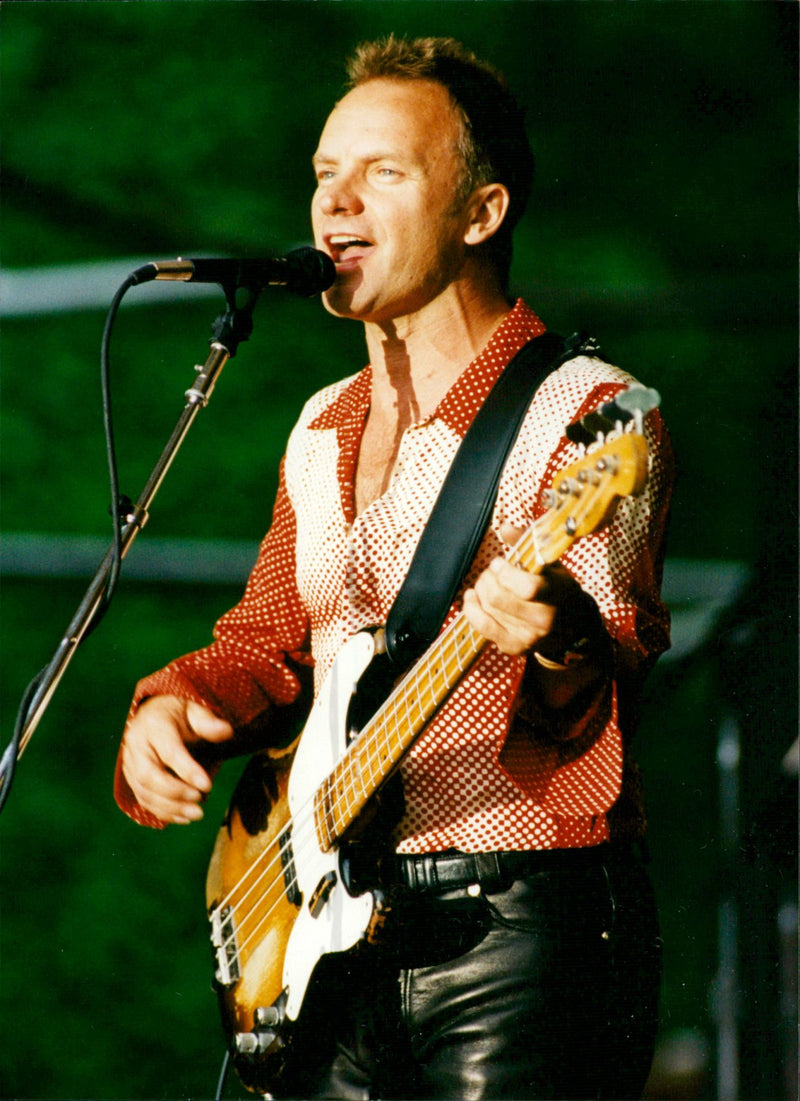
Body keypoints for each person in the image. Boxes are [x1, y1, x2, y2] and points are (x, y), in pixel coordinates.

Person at [115, 35, 673, 1101]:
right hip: (329, 942)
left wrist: (551, 630)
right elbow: (269, 643)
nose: (336, 203)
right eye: (326, 172)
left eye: (383, 173)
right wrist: (176, 707)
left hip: (512, 933)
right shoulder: (320, 425)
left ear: (479, 213)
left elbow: (600, 696)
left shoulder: (585, 416)